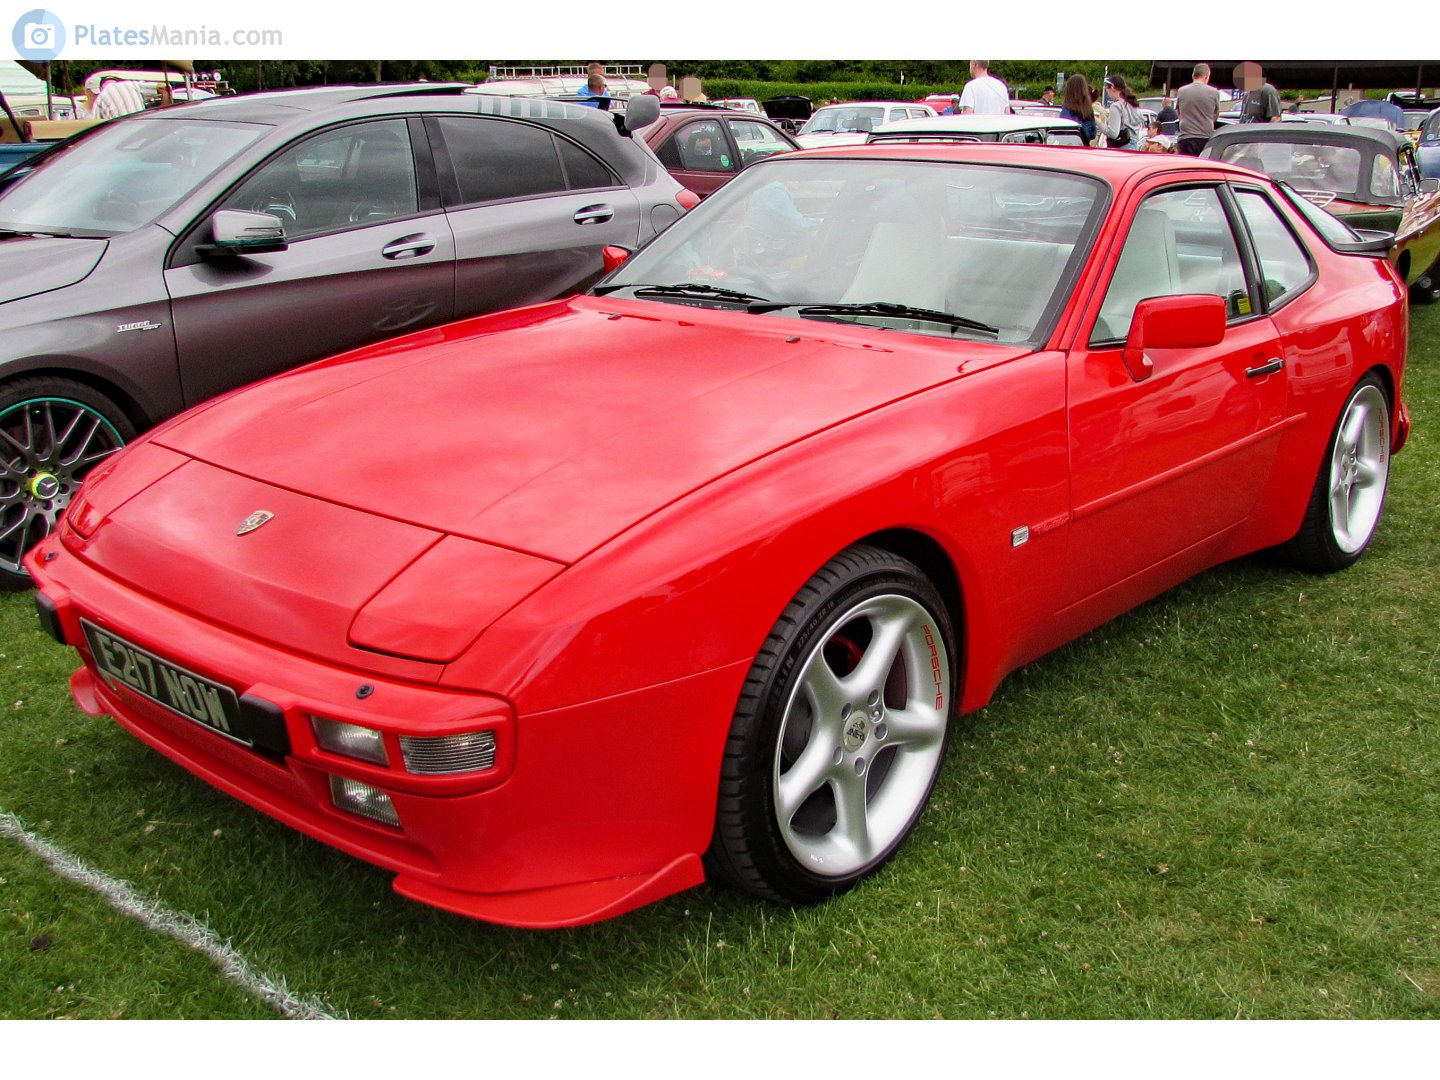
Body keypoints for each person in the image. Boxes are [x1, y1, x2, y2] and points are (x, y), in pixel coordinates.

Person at [1175, 62, 1219, 156]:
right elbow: (1216, 114)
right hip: (1205, 137)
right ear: (1207, 76)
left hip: (1186, 137)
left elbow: (1178, 111)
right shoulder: (1214, 92)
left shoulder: (1181, 91)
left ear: (1193, 75)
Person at [1102, 75, 1144, 150]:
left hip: (1122, 147)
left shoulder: (1116, 106)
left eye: (1107, 89)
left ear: (1112, 88)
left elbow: (1113, 134)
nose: (1107, 93)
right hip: (1134, 145)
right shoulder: (1133, 104)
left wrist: (1098, 122)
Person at [1059, 73, 1096, 145]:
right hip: (1084, 148)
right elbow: (1093, 133)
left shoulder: (1067, 109)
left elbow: (1061, 133)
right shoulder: (1088, 109)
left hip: (1068, 147)